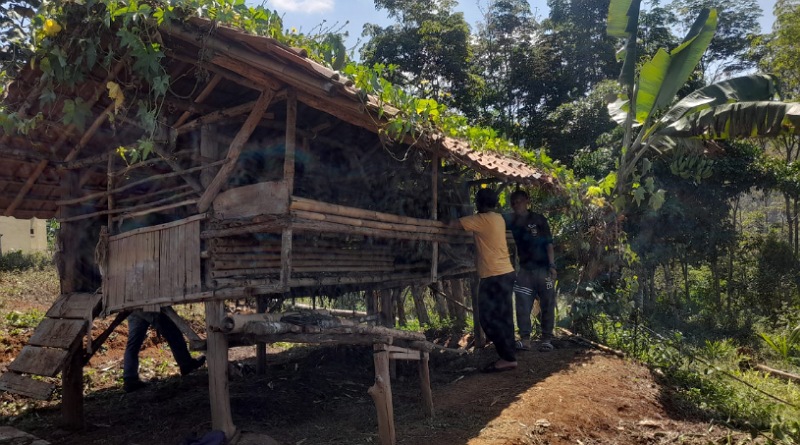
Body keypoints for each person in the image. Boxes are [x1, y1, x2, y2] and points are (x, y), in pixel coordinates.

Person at [452, 188, 518, 372]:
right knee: (504, 317)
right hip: (506, 272)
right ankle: (509, 356)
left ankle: (507, 357)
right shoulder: (498, 218)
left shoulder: (480, 220)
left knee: (487, 318)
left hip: (493, 276)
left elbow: (453, 225)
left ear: (479, 203)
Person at [505, 189, 557, 352]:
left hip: (544, 270)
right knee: (522, 304)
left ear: (527, 200)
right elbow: (494, 221)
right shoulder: (511, 221)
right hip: (525, 271)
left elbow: (549, 244)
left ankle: (547, 339)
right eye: (513, 203)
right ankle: (525, 340)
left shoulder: (539, 219)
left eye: (519, 201)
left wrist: (552, 266)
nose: (516, 205)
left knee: (547, 303)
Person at [123, 309, 206, 392]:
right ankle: (186, 364)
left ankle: (129, 379)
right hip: (149, 305)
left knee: (133, 344)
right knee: (172, 332)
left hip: (133, 308)